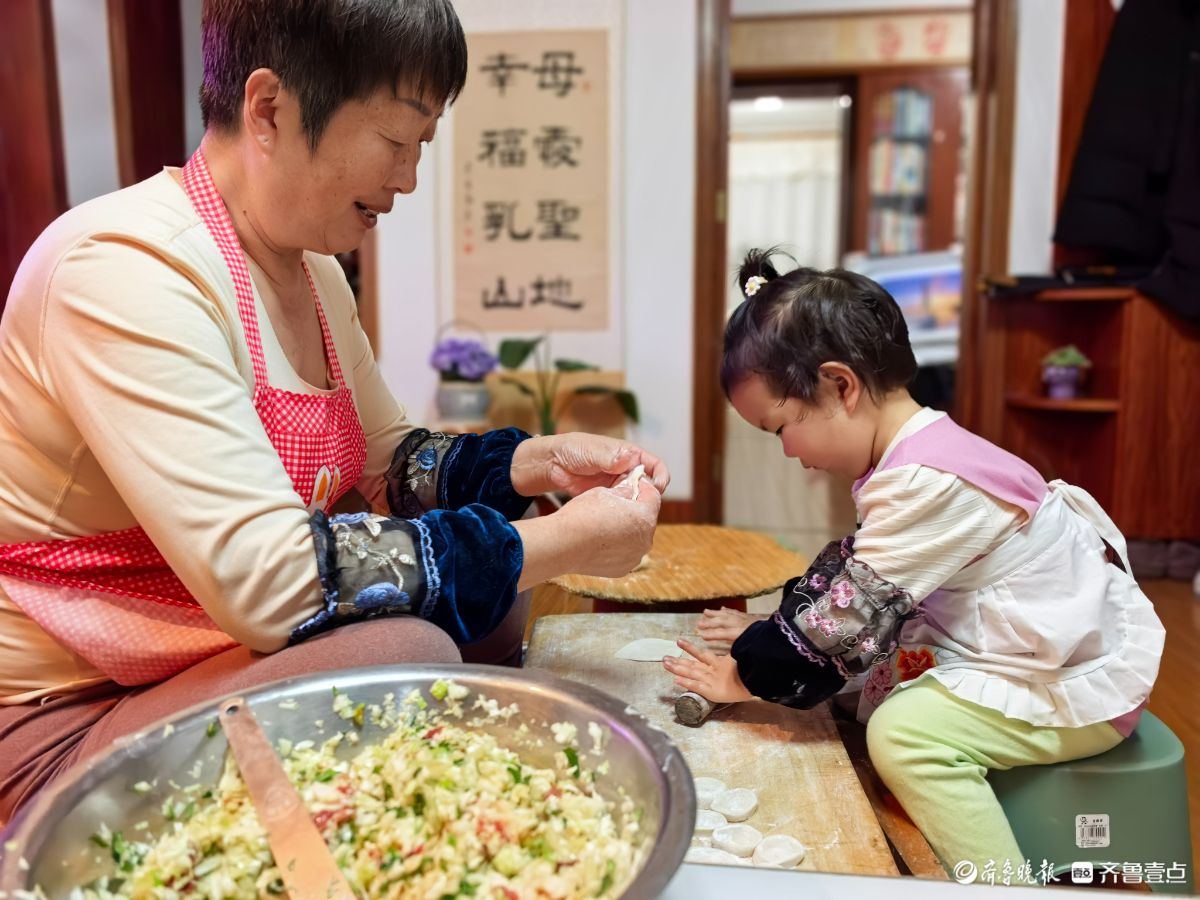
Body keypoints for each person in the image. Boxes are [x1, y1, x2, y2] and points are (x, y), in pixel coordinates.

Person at [0, 0, 666, 826]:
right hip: (69, 713)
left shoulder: (313, 273)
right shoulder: (123, 269)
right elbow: (273, 586)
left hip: (211, 658)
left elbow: (391, 467)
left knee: (490, 603)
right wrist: (563, 545)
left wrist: (534, 463)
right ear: (269, 109)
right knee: (409, 650)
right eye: (395, 140)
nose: (408, 178)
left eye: (422, 146)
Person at [663, 248, 1163, 878]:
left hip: (1070, 684)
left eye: (781, 427)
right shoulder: (918, 451)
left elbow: (845, 620)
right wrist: (771, 630)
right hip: (1025, 646)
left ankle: (1004, 886)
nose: (787, 450)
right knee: (861, 681)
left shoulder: (927, 481)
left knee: (901, 735)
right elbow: (851, 581)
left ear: (840, 386)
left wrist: (746, 678)